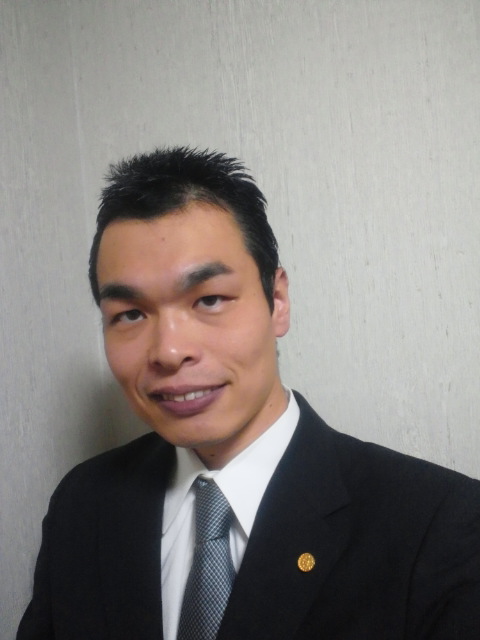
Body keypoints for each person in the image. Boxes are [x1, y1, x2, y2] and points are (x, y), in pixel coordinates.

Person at [18, 147, 480, 639]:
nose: (169, 352)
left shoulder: (440, 524)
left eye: (209, 299)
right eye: (130, 314)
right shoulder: (83, 504)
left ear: (277, 301)